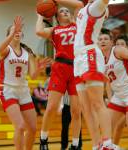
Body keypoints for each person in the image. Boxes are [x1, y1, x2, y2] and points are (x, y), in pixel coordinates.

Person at [36, 1, 83, 150]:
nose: (65, 12)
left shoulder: (77, 25)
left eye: (67, 11)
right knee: (51, 107)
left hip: (76, 68)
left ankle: (75, 144)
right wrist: (40, 14)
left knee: (76, 110)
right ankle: (43, 140)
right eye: (62, 11)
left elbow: (80, 5)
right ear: (56, 16)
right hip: (60, 68)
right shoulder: (54, 29)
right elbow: (38, 31)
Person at [73, 0, 120, 150]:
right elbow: (76, 5)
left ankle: (107, 144)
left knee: (97, 103)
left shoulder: (96, 7)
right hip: (78, 59)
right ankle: (96, 144)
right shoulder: (83, 9)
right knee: (85, 107)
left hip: (89, 54)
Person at [0, 16, 49, 150]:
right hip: (8, 90)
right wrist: (12, 32)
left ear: (22, 34)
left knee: (32, 128)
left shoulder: (28, 53)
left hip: (23, 91)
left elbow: (32, 75)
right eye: (14, 30)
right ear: (9, 34)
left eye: (19, 31)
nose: (17, 32)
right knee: (20, 126)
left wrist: (39, 68)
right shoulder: (6, 50)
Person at [98, 29, 128, 149]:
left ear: (111, 42)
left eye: (105, 39)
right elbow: (106, 81)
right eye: (100, 39)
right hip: (118, 95)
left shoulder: (117, 50)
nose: (102, 41)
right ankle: (113, 147)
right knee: (106, 125)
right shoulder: (99, 59)